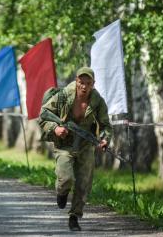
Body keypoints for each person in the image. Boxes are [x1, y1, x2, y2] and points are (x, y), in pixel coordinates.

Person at [38, 67, 112, 231]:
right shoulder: (64, 95)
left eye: (88, 83)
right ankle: (62, 192)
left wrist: (105, 139)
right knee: (66, 178)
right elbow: (43, 115)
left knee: (83, 183)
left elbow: (106, 125)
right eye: (81, 82)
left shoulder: (97, 101)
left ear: (93, 84)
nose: (84, 86)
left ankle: (74, 217)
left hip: (85, 144)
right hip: (65, 143)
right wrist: (55, 128)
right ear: (76, 81)